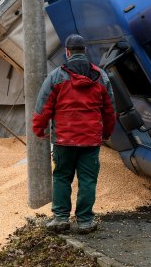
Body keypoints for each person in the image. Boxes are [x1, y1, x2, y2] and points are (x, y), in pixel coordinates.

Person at [32, 34, 116, 234]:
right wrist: (106, 133)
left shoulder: (56, 76)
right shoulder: (101, 77)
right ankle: (85, 221)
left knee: (62, 176)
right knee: (88, 180)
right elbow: (110, 110)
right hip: (90, 140)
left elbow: (43, 106)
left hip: (64, 139)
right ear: (84, 51)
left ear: (67, 52)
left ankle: (61, 219)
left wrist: (38, 128)